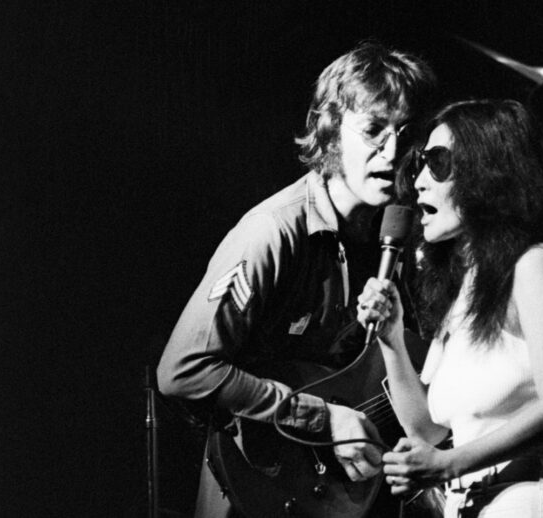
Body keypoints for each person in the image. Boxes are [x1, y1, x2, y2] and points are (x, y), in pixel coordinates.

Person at [156, 41, 436, 518]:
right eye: (372, 131)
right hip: (252, 485)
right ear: (329, 132)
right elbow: (183, 370)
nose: (392, 153)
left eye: (404, 134)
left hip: (331, 495)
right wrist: (323, 419)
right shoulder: (273, 232)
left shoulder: (394, 235)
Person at [356, 99, 543, 518]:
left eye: (437, 163)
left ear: (486, 171)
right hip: (469, 504)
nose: (419, 183)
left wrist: (449, 464)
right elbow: (428, 429)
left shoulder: (534, 263)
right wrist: (391, 337)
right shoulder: (465, 290)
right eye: (420, 166)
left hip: (527, 499)